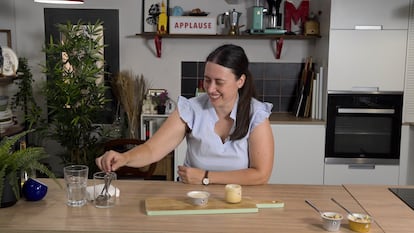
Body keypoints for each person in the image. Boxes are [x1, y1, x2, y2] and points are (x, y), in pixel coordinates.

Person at [96, 44, 274, 185]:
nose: (210, 89)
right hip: (192, 197)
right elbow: (152, 149)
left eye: (219, 82)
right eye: (207, 80)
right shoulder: (191, 109)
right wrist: (124, 158)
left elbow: (260, 175)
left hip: (238, 200)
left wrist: (206, 177)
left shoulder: (256, 114)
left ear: (240, 81)